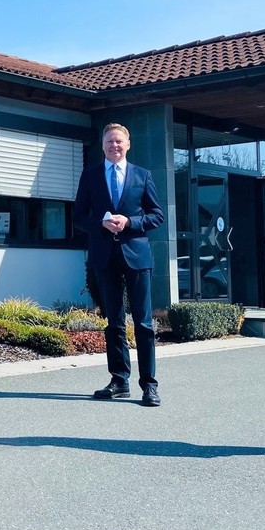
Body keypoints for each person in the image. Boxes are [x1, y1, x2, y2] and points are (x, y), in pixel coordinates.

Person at [73, 123, 165, 406]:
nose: (114, 146)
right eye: (110, 141)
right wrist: (100, 224)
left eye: (119, 141)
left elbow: (157, 215)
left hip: (137, 257)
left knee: (144, 323)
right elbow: (78, 217)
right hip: (104, 257)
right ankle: (119, 381)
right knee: (113, 323)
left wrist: (130, 222)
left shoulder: (142, 175)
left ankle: (149, 385)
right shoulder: (90, 177)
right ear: (102, 146)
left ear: (128, 144)